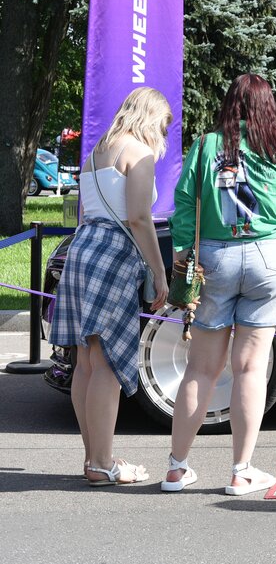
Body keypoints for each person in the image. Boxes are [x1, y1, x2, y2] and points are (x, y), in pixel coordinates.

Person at [161, 74, 276, 496]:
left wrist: (184, 259)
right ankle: (241, 472)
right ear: (268, 107)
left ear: (229, 105)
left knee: (200, 369)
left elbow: (184, 203)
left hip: (215, 258)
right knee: (251, 369)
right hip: (269, 260)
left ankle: (176, 469)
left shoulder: (207, 145)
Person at [49, 87, 171, 485]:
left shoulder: (96, 153)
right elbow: (139, 217)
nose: (163, 134)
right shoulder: (139, 152)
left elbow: (88, 212)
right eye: (163, 125)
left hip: (83, 248)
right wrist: (159, 272)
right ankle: (103, 463)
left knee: (86, 361)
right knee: (106, 365)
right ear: (150, 118)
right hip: (114, 253)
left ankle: (94, 458)